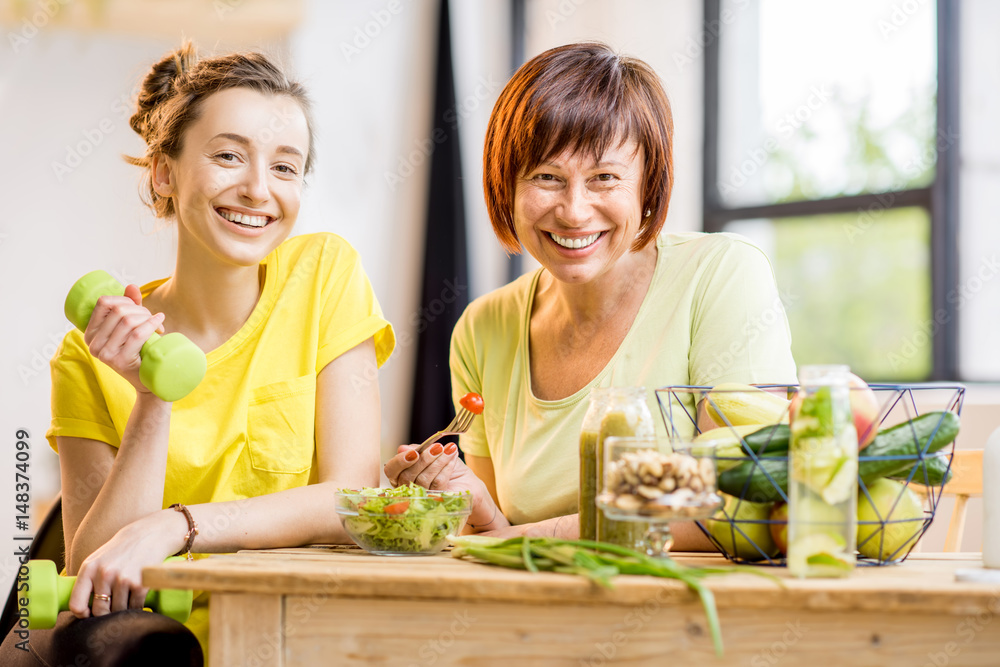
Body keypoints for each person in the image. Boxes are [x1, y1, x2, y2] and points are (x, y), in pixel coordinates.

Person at [1, 42, 393, 665]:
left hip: (300, 638)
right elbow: (94, 578)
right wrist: (153, 399)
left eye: (286, 167)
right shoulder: (89, 356)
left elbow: (350, 497)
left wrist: (176, 526)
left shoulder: (324, 273)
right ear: (164, 172)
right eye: (229, 156)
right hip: (160, 652)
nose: (259, 189)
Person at [384, 42, 796, 546]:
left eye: (605, 177)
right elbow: (496, 539)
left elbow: (742, 502)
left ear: (648, 185)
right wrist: (477, 508)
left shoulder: (721, 275)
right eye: (547, 177)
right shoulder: (482, 327)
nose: (575, 211)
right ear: (505, 186)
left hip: (687, 616)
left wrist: (520, 537)